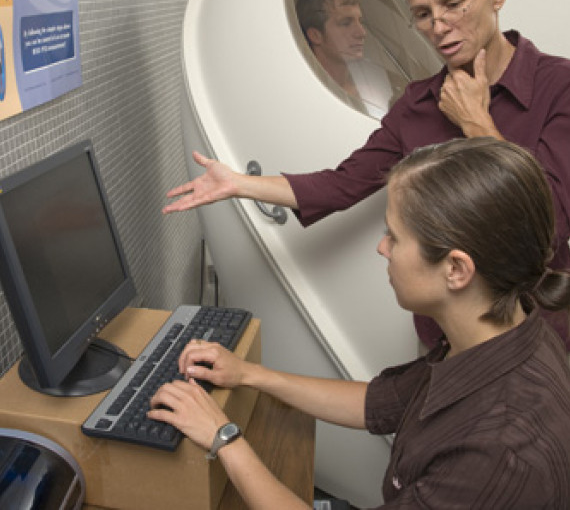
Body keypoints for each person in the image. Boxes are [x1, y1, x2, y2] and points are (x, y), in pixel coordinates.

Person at [163, 0, 570, 350]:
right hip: (444, 343)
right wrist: (240, 183)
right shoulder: (417, 104)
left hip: (537, 339)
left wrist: (476, 124)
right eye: (422, 14)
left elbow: (549, 227)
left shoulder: (559, 87)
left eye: (454, 4)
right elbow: (343, 184)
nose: (439, 26)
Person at [151, 138, 570, 509]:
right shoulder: (502, 332)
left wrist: (224, 437)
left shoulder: (501, 454)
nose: (381, 247)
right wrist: (249, 374)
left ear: (457, 270)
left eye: (395, 236)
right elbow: (379, 402)